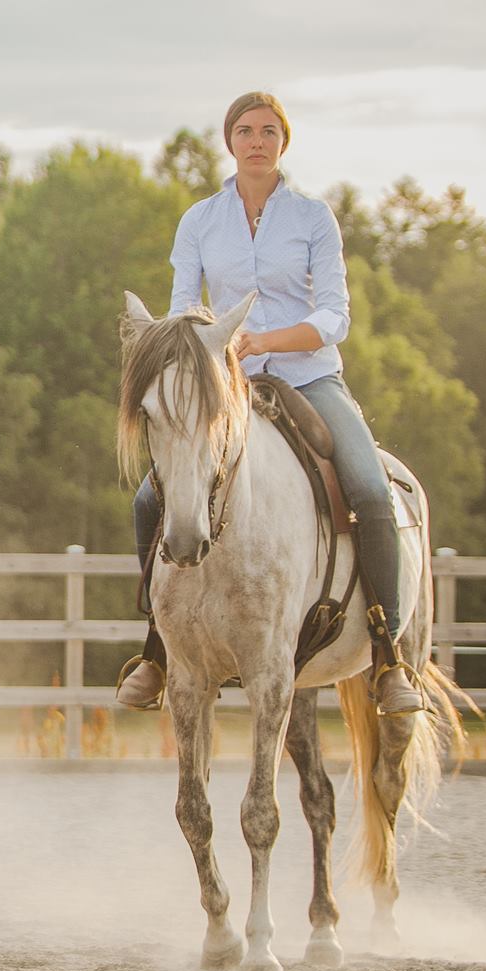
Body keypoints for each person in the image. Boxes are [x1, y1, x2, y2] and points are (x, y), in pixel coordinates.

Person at [115, 90, 423, 717]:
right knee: (151, 497)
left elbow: (334, 315)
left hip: (310, 377)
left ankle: (389, 653)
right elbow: (183, 310)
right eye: (245, 131)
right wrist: (193, 350)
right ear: (229, 142)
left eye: (268, 132)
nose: (257, 141)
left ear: (284, 142)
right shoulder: (200, 220)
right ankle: (157, 645)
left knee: (367, 486)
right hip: (228, 387)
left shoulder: (313, 218)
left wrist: (267, 340)